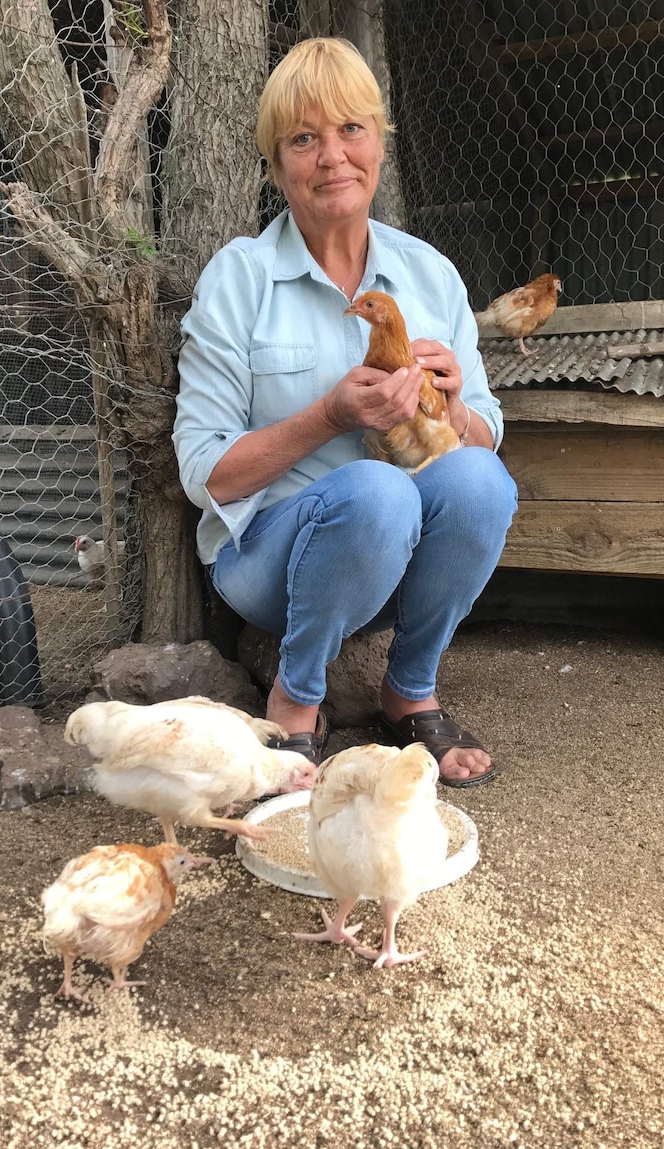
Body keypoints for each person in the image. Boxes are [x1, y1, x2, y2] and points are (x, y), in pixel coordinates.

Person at [172, 37, 517, 787]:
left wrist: (453, 410)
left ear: (380, 146)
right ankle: (296, 703)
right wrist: (327, 416)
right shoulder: (238, 280)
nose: (333, 156)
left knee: (482, 481)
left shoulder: (430, 273)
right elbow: (205, 476)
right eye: (304, 138)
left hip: (400, 555)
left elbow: (487, 434)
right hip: (268, 558)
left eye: (351, 129)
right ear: (276, 163)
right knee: (377, 491)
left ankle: (409, 691)